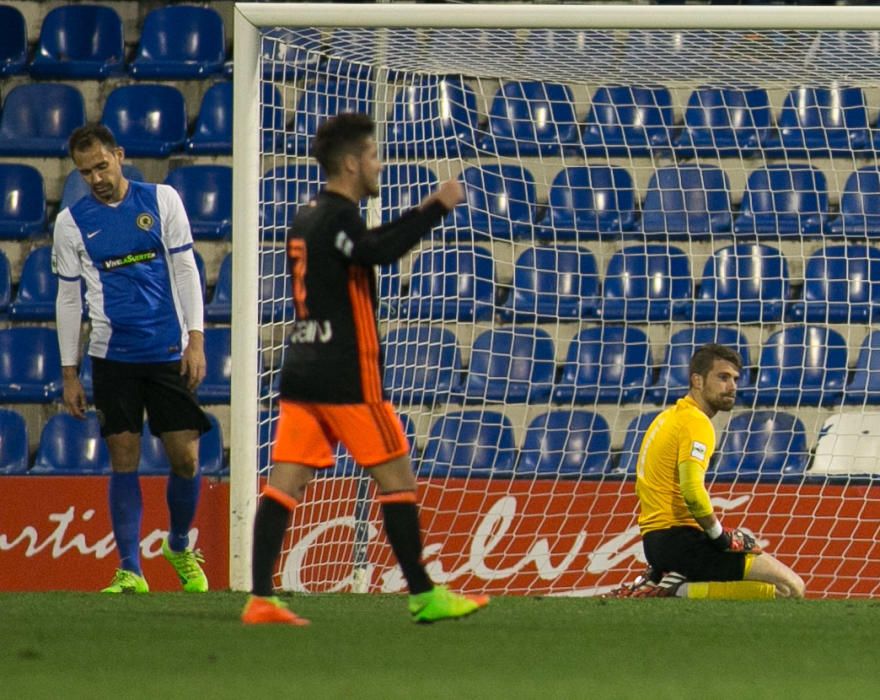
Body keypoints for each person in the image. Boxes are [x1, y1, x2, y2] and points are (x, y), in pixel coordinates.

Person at [241, 112, 489, 626]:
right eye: (374, 156)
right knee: (397, 477)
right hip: (347, 373)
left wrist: (418, 210)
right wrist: (435, 209)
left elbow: (366, 245)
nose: (379, 165)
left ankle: (261, 596)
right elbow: (378, 251)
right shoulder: (338, 216)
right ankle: (423, 594)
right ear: (352, 163)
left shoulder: (309, 214)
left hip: (302, 368)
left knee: (284, 482)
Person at [53, 123, 213, 594]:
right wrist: (70, 373)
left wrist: (196, 340)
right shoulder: (71, 222)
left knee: (185, 458)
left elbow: (185, 269)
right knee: (123, 457)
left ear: (119, 155)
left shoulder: (162, 200)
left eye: (102, 166)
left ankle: (179, 544)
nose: (96, 178)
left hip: (166, 348)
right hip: (111, 354)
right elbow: (68, 300)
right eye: (86, 172)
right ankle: (130, 569)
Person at [616, 343, 805, 599]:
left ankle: (670, 582)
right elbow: (692, 491)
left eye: (735, 379)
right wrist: (721, 538)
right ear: (697, 380)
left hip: (657, 542)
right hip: (682, 540)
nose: (732, 386)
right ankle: (673, 590)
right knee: (790, 588)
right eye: (723, 377)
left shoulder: (666, 418)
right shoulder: (697, 423)